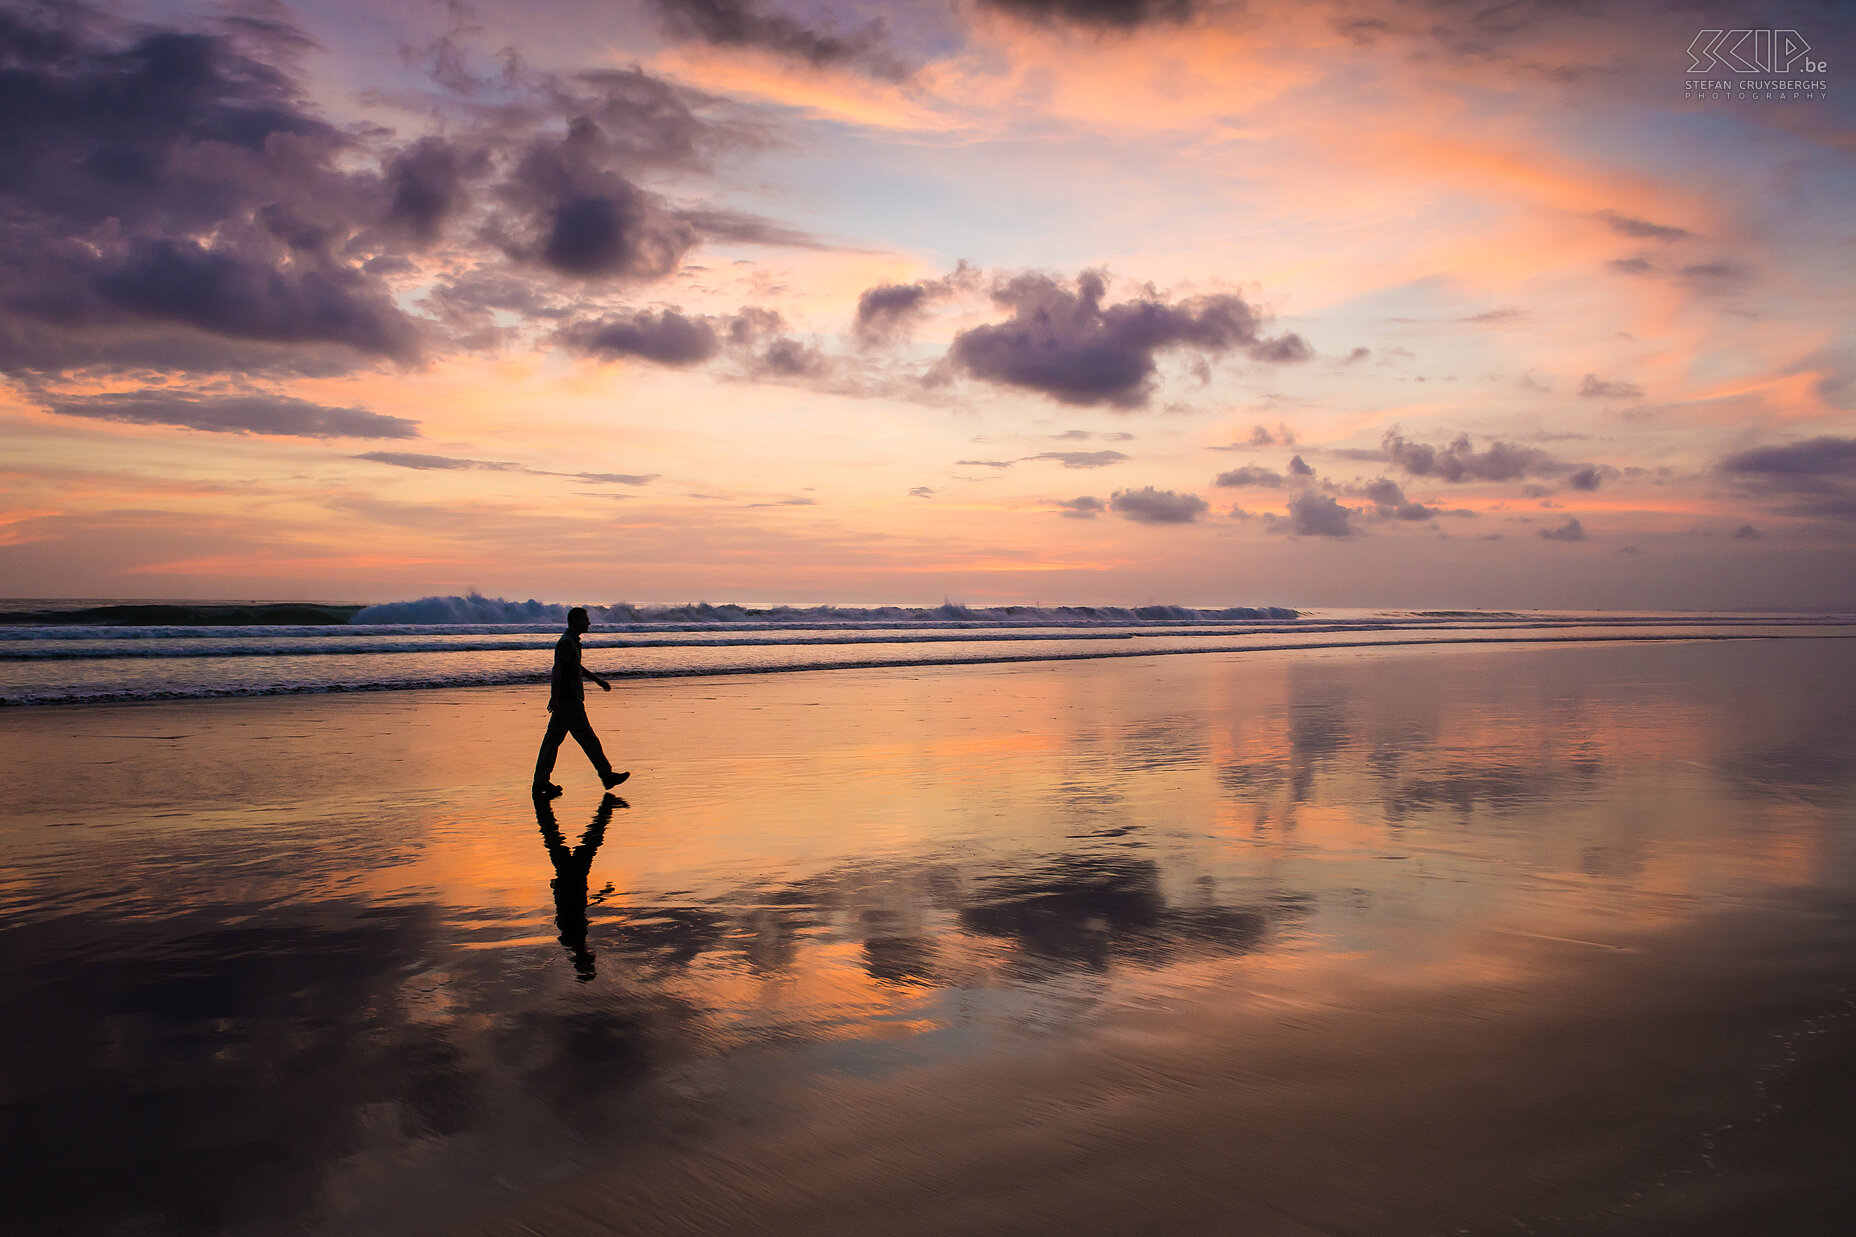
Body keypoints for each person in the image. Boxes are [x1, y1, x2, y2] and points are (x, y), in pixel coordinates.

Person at [532, 607, 629, 797]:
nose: (589, 623)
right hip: (569, 701)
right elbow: (557, 670)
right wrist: (555, 696)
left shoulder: (571, 642)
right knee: (587, 738)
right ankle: (606, 775)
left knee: (552, 742)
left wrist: (597, 680)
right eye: (585, 620)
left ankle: (540, 782)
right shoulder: (567, 643)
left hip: (566, 700)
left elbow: (575, 667)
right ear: (575, 621)